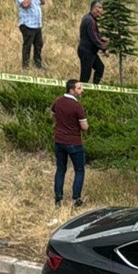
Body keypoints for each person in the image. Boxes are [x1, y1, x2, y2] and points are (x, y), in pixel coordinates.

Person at [51, 79, 88, 207]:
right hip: (74, 142)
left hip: (59, 140)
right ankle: (76, 198)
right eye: (79, 88)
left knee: (61, 169)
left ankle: (58, 197)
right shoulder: (77, 107)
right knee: (79, 170)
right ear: (72, 90)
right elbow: (84, 127)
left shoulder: (57, 101)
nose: (82, 90)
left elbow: (52, 115)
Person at [15, 0, 45, 71]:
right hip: (27, 24)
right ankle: (25, 67)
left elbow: (43, 2)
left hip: (37, 24)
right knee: (27, 46)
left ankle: (38, 65)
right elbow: (25, 4)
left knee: (39, 45)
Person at [78, 0, 109, 84]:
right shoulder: (89, 20)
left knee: (100, 68)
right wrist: (104, 49)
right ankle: (80, 93)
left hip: (91, 52)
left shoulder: (91, 19)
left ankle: (94, 89)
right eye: (100, 8)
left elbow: (93, 35)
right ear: (94, 9)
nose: (102, 10)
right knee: (85, 76)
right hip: (86, 52)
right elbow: (93, 38)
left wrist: (101, 39)